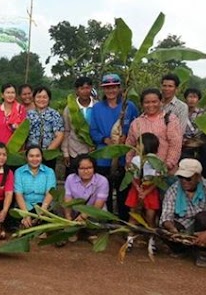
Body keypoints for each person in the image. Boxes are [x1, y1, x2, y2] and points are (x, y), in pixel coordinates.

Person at [89, 73, 139, 220]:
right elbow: (93, 130)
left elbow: (136, 127)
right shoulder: (97, 108)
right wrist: (105, 140)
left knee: (124, 191)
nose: (111, 91)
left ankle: (123, 221)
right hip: (104, 157)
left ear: (119, 88)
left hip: (124, 157)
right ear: (103, 90)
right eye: (107, 88)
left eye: (114, 87)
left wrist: (126, 138)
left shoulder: (129, 107)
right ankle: (107, 220)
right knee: (105, 191)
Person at [160, 159, 206, 268]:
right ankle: (181, 249)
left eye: (188, 178)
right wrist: (172, 229)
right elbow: (166, 216)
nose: (184, 181)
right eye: (181, 177)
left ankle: (202, 252)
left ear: (198, 177)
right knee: (165, 229)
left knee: (203, 217)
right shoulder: (173, 189)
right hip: (182, 225)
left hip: (200, 226)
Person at [126, 88, 182, 175]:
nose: (150, 105)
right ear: (142, 104)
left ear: (161, 102)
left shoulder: (170, 119)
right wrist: (130, 164)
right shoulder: (136, 123)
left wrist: (166, 166)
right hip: (141, 173)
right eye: (147, 102)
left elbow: (175, 145)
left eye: (154, 101)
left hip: (165, 173)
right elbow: (130, 145)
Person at [125, 133, 161, 254]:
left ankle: (152, 241)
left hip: (150, 190)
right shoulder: (136, 159)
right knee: (133, 215)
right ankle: (129, 240)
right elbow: (132, 177)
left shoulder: (156, 161)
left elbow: (157, 180)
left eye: (139, 144)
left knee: (151, 216)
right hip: (137, 190)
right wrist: (138, 188)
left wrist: (146, 191)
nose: (137, 146)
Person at [63, 154, 109, 242]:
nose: (86, 171)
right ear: (77, 169)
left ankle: (91, 233)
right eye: (82, 168)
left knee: (98, 216)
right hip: (76, 211)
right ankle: (73, 230)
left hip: (93, 211)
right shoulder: (70, 179)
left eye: (89, 168)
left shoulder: (102, 181)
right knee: (63, 209)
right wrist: (68, 217)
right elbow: (67, 200)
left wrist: (83, 216)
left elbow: (98, 205)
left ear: (94, 168)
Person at [14, 145, 56, 229]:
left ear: (41, 157)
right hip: (24, 206)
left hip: (43, 206)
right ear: (26, 157)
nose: (34, 159)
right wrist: (25, 214)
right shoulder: (19, 172)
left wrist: (42, 211)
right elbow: (18, 194)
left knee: (51, 220)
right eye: (31, 156)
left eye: (37, 156)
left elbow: (50, 193)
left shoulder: (49, 172)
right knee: (13, 219)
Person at [62, 76, 96, 172]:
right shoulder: (69, 109)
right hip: (74, 151)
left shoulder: (97, 106)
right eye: (82, 88)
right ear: (76, 91)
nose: (85, 91)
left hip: (93, 150)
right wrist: (65, 153)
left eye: (88, 88)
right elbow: (66, 131)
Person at [26, 86, 64, 167]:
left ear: (49, 99)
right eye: (38, 97)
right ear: (33, 98)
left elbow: (59, 135)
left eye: (44, 97)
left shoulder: (54, 114)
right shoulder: (28, 115)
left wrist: (46, 154)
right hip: (31, 155)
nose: (41, 100)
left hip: (49, 156)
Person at [181, 87, 206, 179]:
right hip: (184, 140)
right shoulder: (181, 111)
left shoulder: (202, 113)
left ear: (198, 99)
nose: (192, 100)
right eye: (190, 97)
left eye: (194, 97)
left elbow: (203, 129)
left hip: (198, 139)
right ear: (186, 98)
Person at [0, 83, 27, 147]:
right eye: (8, 92)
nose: (10, 95)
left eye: (12, 93)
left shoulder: (20, 109)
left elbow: (23, 131)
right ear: (2, 95)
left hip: (13, 148)